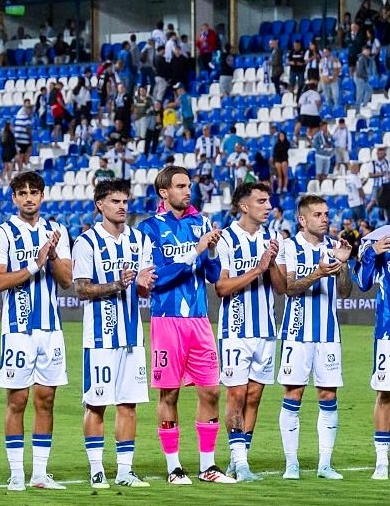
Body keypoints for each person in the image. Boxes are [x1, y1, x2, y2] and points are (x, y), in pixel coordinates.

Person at [137, 166, 234, 485]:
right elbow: (157, 278)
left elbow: (212, 274)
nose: (187, 190)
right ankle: (174, 467)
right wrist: (196, 249)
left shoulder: (200, 224)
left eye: (188, 185)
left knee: (211, 390)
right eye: (180, 186)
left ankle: (208, 466)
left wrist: (211, 249)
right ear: (164, 192)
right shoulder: (148, 228)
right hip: (167, 321)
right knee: (170, 394)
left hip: (199, 319)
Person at [0, 171, 73, 490]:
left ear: (42, 196)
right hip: (17, 330)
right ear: (14, 198)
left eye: (33, 192)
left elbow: (66, 281)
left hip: (51, 329)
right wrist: (35, 265)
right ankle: (15, 474)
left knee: (46, 400)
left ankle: (39, 474)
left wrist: (53, 256)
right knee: (17, 400)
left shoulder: (57, 231)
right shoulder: (3, 233)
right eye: (22, 193)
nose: (28, 198)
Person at [71, 179, 156, 488]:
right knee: (96, 404)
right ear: (100, 205)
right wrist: (118, 284)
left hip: (132, 337)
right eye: (115, 201)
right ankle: (97, 469)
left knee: (128, 405)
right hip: (100, 339)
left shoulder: (139, 240)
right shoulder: (87, 242)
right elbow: (81, 290)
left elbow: (144, 287)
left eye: (125, 201)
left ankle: (124, 471)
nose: (122, 206)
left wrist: (144, 284)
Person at [275, 195, 352, 480]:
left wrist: (343, 265)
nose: (325, 219)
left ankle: (325, 465)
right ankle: (291, 464)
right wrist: (319, 273)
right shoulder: (289, 246)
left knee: (328, 395)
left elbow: (344, 292)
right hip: (297, 332)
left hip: (329, 334)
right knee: (293, 394)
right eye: (318, 214)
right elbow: (290, 288)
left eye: (326, 214)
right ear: (302, 219)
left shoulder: (334, 247)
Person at [214, 183, 282, 482]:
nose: (268, 206)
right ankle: (240, 464)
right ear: (244, 206)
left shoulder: (274, 238)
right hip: (235, 330)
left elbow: (281, 287)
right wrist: (258, 269)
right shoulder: (226, 239)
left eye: (268, 201)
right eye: (261, 201)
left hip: (266, 330)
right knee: (236, 394)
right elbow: (221, 287)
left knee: (253, 397)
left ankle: (238, 461)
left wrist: (273, 264)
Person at [356, 230, 390, 478]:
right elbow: (363, 283)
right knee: (385, 393)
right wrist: (371, 253)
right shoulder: (379, 241)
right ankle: (381, 460)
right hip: (387, 331)